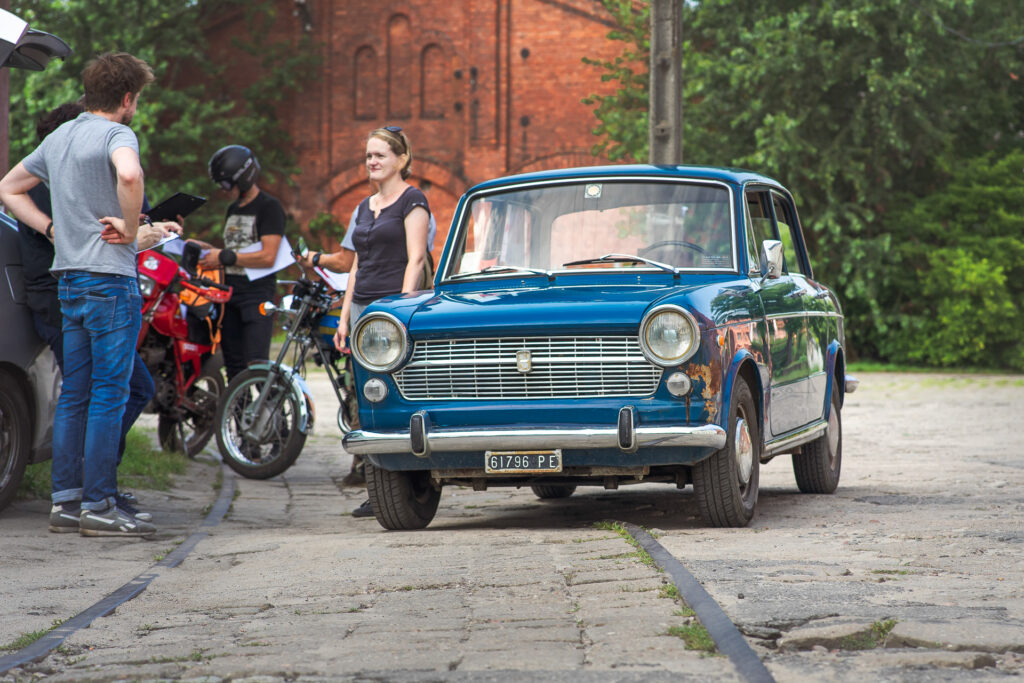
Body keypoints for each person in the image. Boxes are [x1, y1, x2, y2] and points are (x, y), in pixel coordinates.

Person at [0, 52, 157, 537]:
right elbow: (129, 175)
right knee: (110, 394)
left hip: (67, 279)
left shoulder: (60, 136)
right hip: (109, 279)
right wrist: (132, 229)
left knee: (76, 395)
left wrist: (51, 228)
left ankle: (66, 502)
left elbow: (8, 188)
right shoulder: (117, 134)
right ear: (127, 98)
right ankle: (99, 504)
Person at [330, 126, 431, 517]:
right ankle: (378, 487)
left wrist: (402, 311)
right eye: (368, 156)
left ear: (401, 159)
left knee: (391, 394)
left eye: (380, 155)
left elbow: (416, 259)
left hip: (391, 312)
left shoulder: (413, 200)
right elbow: (356, 264)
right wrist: (344, 317)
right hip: (362, 310)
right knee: (364, 397)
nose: (372, 161)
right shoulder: (363, 206)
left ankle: (405, 486)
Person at [189, 145, 285, 381]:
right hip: (230, 294)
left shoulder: (269, 207)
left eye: (226, 184)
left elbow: (268, 256)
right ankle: (240, 416)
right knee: (233, 365)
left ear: (242, 178)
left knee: (257, 364)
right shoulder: (233, 209)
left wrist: (224, 256)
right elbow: (234, 252)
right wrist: (210, 251)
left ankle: (274, 416)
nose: (224, 191)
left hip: (256, 294)